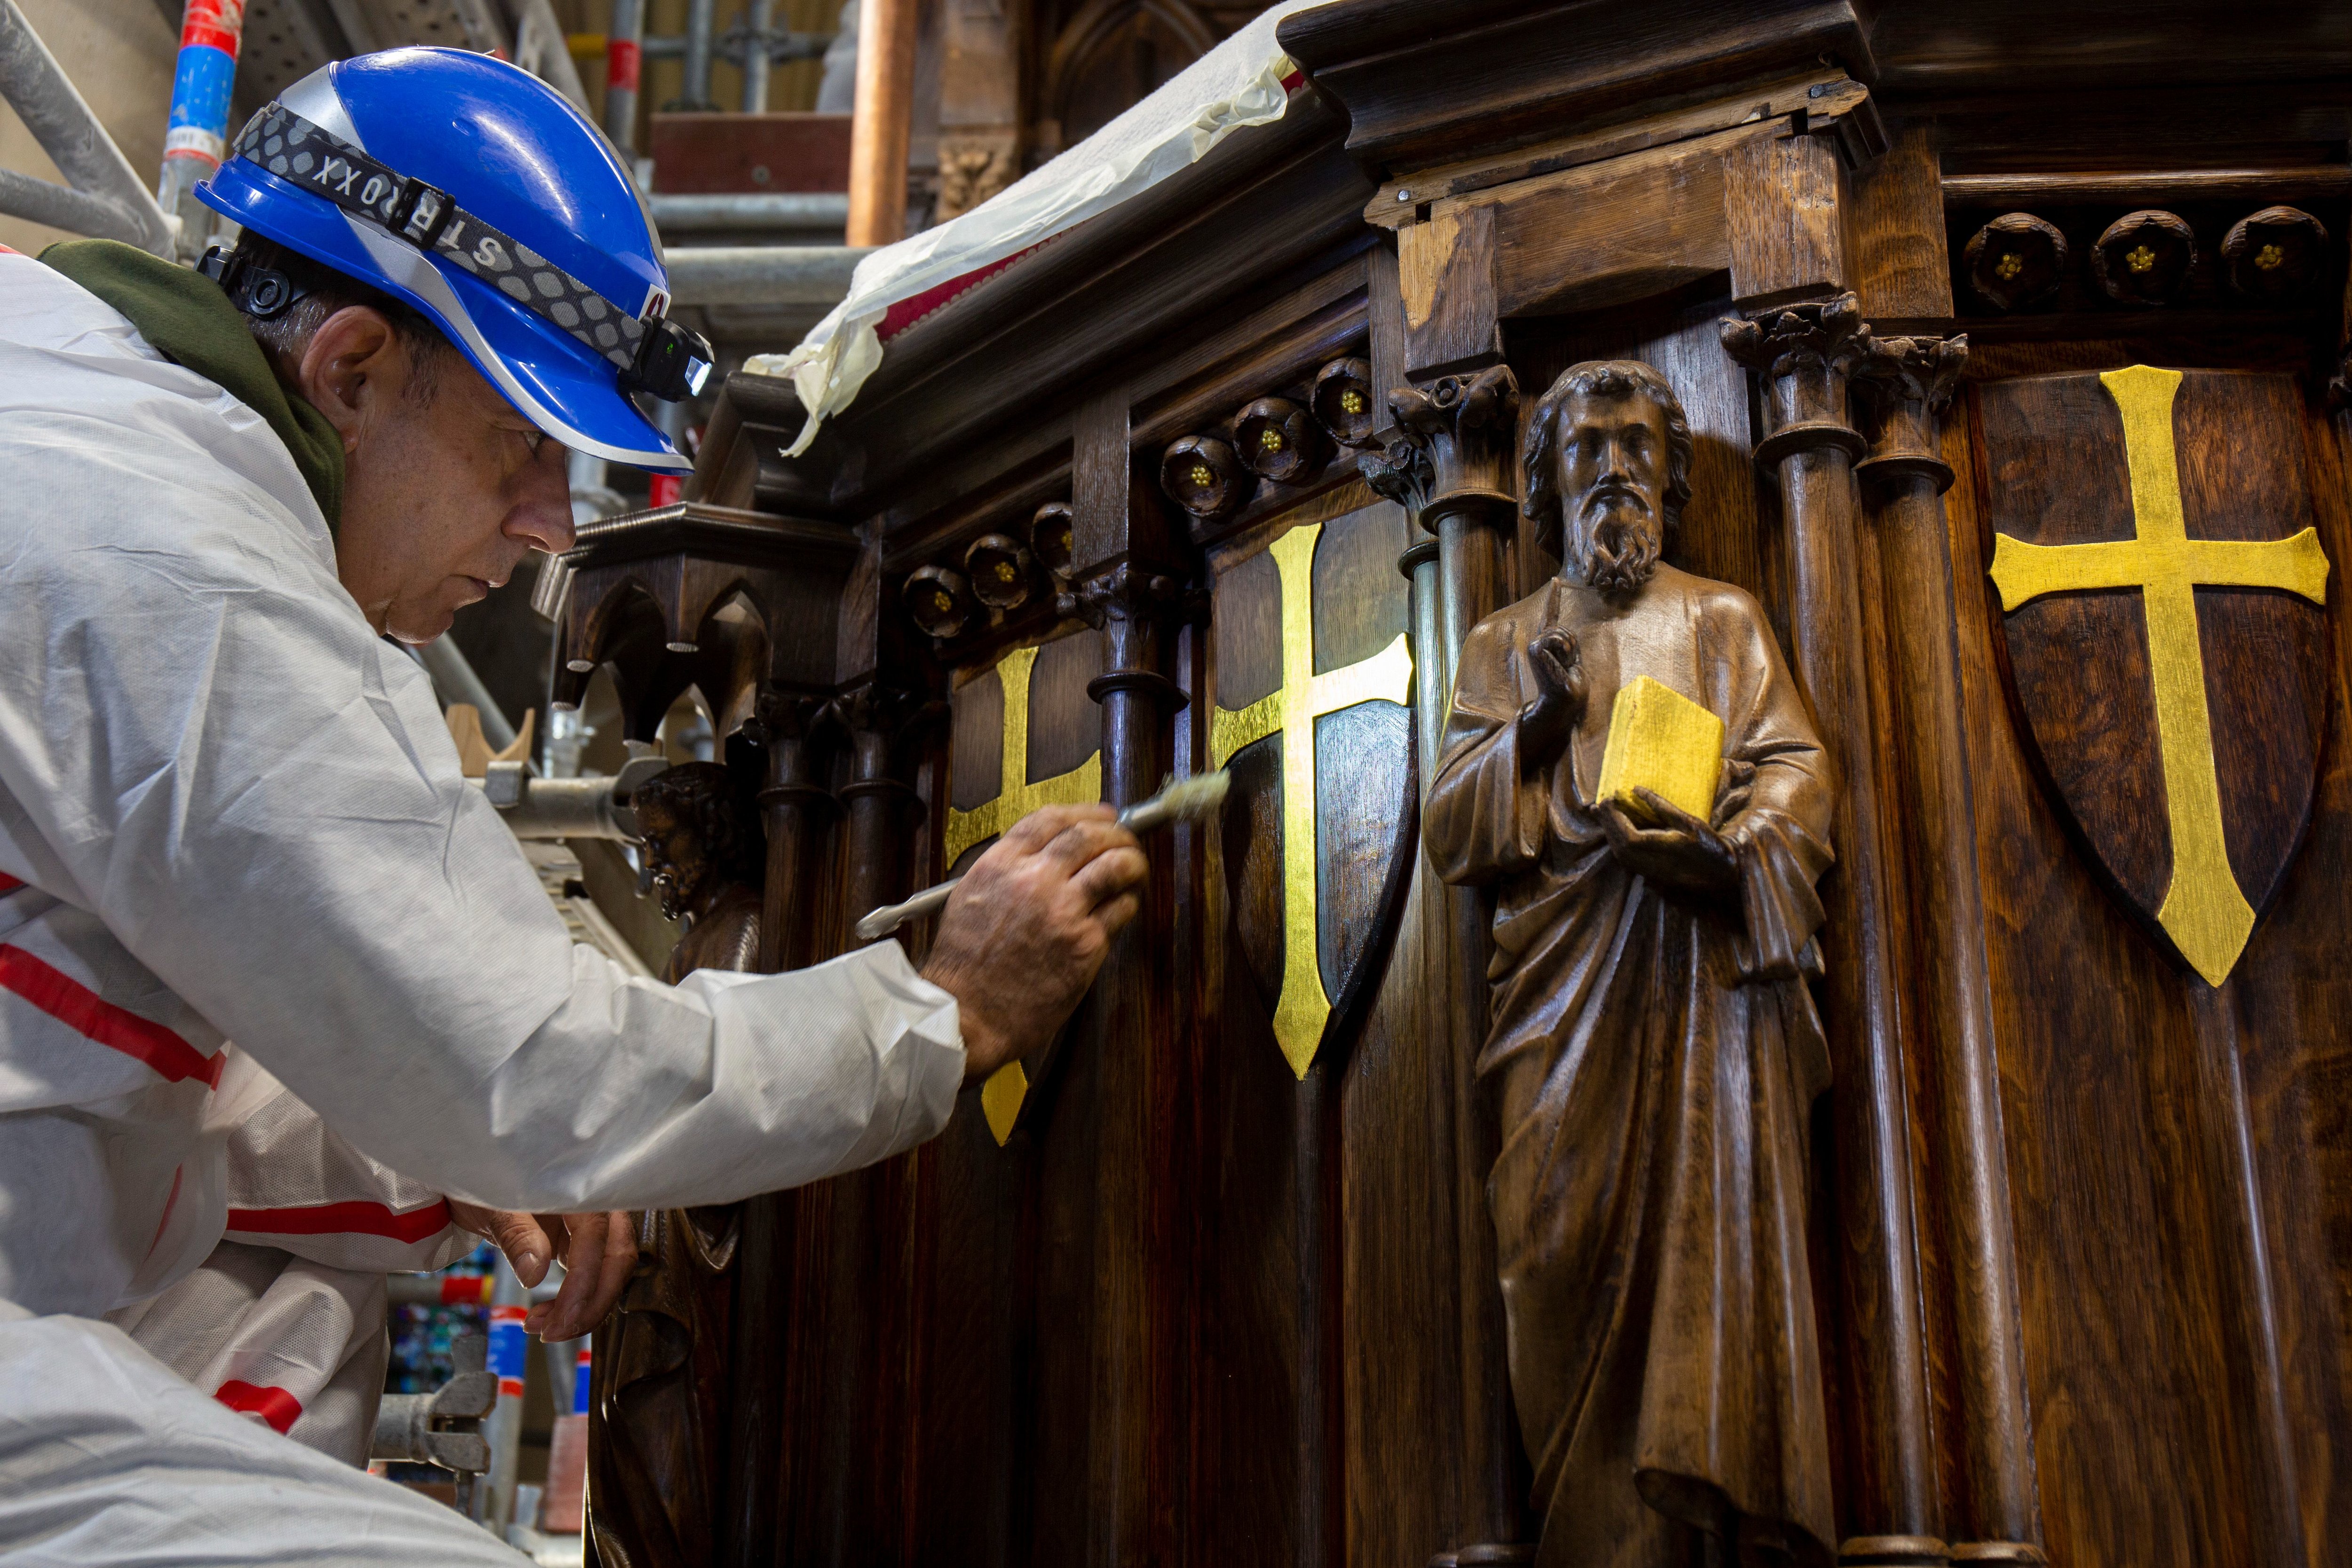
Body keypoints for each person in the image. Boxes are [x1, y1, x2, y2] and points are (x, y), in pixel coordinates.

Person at [0, 47, 1145, 1564]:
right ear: (349, 368)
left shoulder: (63, 383)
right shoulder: (181, 563)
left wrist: (433, 1160)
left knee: (302, 1319)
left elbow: (102, 1029)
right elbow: (532, 1066)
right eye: (519, 444)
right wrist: (934, 1015)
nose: (548, 528)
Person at [1423, 361, 1838, 1567]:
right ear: (1549, 483)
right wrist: (1540, 729)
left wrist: (1729, 853)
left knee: (1708, 1290)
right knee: (1548, 1258)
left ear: (1670, 472)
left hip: (1703, 996)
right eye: (1586, 449)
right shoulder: (1504, 642)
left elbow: (1799, 772)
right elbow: (1450, 828)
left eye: (1637, 447)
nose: (1613, 470)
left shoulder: (1722, 620)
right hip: (1556, 1012)